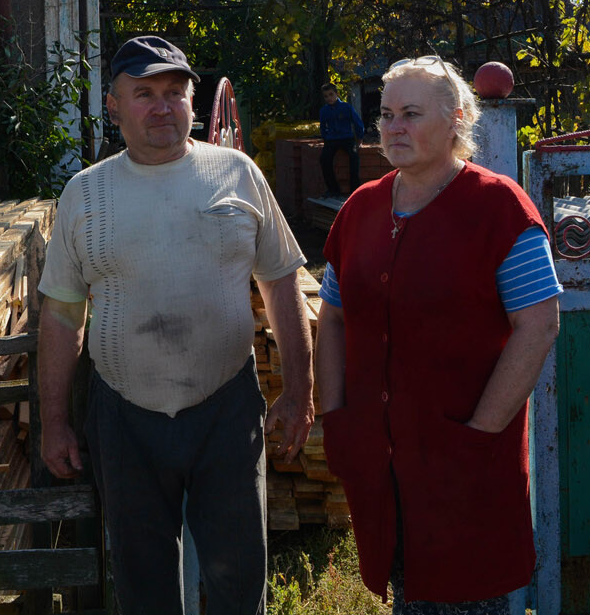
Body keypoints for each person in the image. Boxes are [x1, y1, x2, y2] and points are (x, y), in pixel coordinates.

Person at [38, 35, 315, 615]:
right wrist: (55, 421)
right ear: (113, 106)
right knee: (143, 585)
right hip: (124, 416)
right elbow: (63, 314)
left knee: (240, 580)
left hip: (225, 409)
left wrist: (299, 390)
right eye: (144, 94)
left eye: (174, 92)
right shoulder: (86, 194)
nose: (162, 106)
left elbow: (282, 280)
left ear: (193, 99)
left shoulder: (236, 174)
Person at [314, 56, 561, 614]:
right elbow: (331, 314)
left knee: (466, 597)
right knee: (407, 592)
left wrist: (479, 433)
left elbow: (540, 324)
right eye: (385, 115)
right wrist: (336, 415)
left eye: (411, 114)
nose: (393, 128)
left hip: (464, 460)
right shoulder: (361, 208)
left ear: (455, 120)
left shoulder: (499, 207)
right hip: (383, 459)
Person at [318, 82, 365, 196]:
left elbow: (358, 123)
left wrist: (359, 138)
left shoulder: (346, 107)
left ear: (336, 94)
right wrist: (325, 139)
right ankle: (333, 189)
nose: (329, 98)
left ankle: (355, 189)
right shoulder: (324, 111)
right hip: (331, 139)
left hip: (347, 138)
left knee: (354, 158)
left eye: (331, 94)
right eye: (326, 96)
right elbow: (323, 127)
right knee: (324, 160)